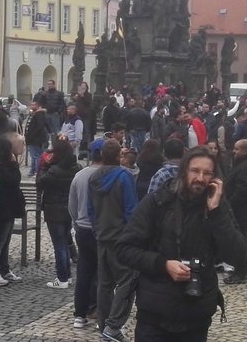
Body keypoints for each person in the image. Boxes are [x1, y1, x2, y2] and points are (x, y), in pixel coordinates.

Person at [116, 146, 247, 341]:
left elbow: (239, 256)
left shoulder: (217, 209)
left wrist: (216, 213)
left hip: (196, 315)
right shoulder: (157, 202)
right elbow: (124, 249)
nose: (200, 178)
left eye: (207, 173)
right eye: (195, 170)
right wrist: (163, 264)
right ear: (184, 170)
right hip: (155, 315)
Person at [88, 139, 139, 342]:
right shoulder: (124, 177)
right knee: (128, 280)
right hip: (121, 237)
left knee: (105, 283)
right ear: (119, 156)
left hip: (102, 235)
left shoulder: (93, 177)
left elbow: (90, 208)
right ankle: (114, 325)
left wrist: (96, 228)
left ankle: (104, 324)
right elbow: (131, 209)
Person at [69, 138, 104, 328]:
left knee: (84, 273)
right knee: (102, 273)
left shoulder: (80, 175)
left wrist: (77, 222)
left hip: (82, 229)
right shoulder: (109, 175)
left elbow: (72, 205)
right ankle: (100, 312)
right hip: (101, 230)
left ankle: (79, 315)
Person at [38, 134, 81, 289]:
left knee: (59, 244)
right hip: (69, 208)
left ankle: (62, 277)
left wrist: (43, 166)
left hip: (53, 209)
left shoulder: (54, 170)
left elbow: (40, 182)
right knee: (65, 240)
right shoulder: (76, 168)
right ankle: (67, 276)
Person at [0, 135, 25, 286]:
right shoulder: (0, 167)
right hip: (3, 208)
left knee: (5, 239)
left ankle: (4, 268)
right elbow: (13, 180)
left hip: (8, 207)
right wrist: (14, 165)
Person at [223, 139, 247, 285]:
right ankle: (239, 267)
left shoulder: (246, 167)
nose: (234, 151)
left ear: (245, 151)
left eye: (237, 149)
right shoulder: (241, 165)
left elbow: (243, 189)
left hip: (240, 211)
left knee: (240, 240)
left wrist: (229, 204)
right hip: (238, 210)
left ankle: (241, 270)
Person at [24, 100, 49, 177]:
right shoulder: (33, 114)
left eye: (34, 105)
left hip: (36, 139)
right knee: (34, 156)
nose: (32, 106)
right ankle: (33, 170)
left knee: (36, 155)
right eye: (31, 105)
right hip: (32, 139)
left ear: (38, 106)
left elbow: (39, 127)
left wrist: (31, 135)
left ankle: (37, 171)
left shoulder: (39, 115)